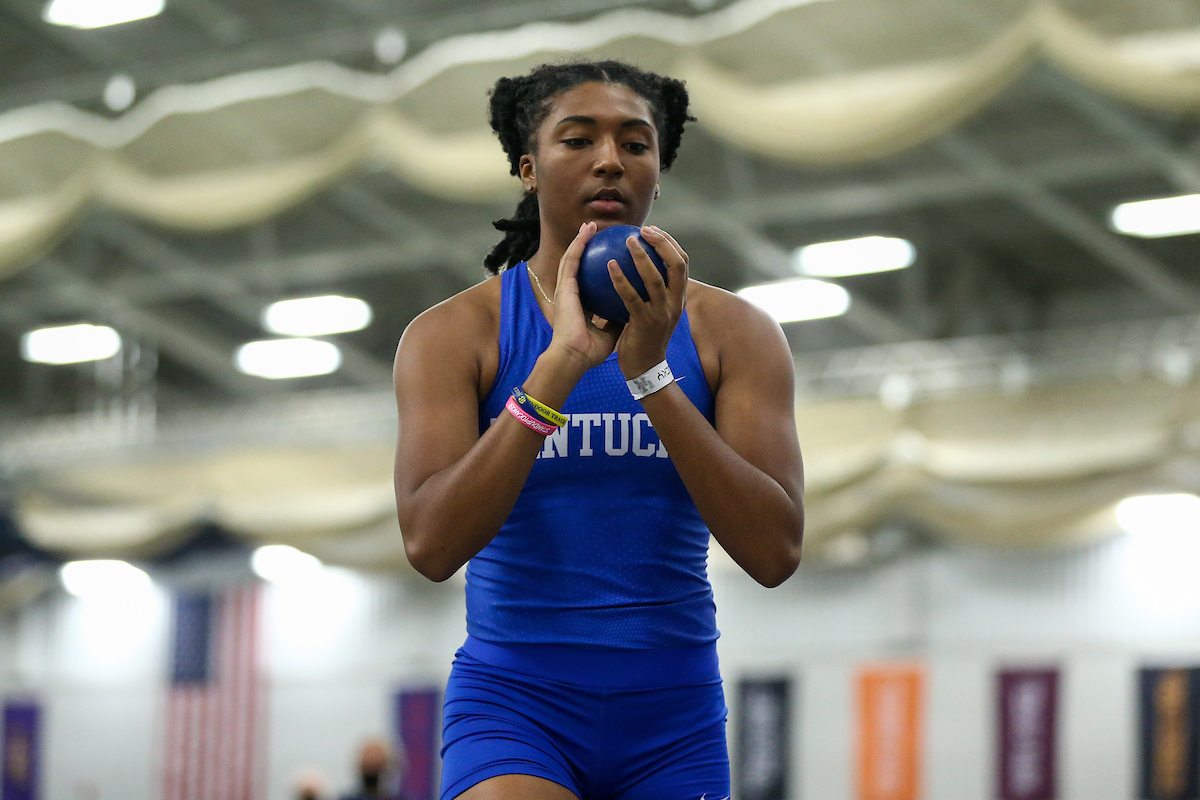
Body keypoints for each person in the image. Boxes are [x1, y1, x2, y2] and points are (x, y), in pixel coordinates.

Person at [393, 60, 804, 800]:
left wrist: (652, 375)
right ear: (528, 167)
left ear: (658, 173)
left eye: (636, 144)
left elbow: (775, 551)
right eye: (577, 140)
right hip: (516, 704)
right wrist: (559, 367)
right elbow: (430, 543)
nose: (610, 159)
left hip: (673, 717)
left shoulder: (734, 333)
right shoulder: (455, 335)